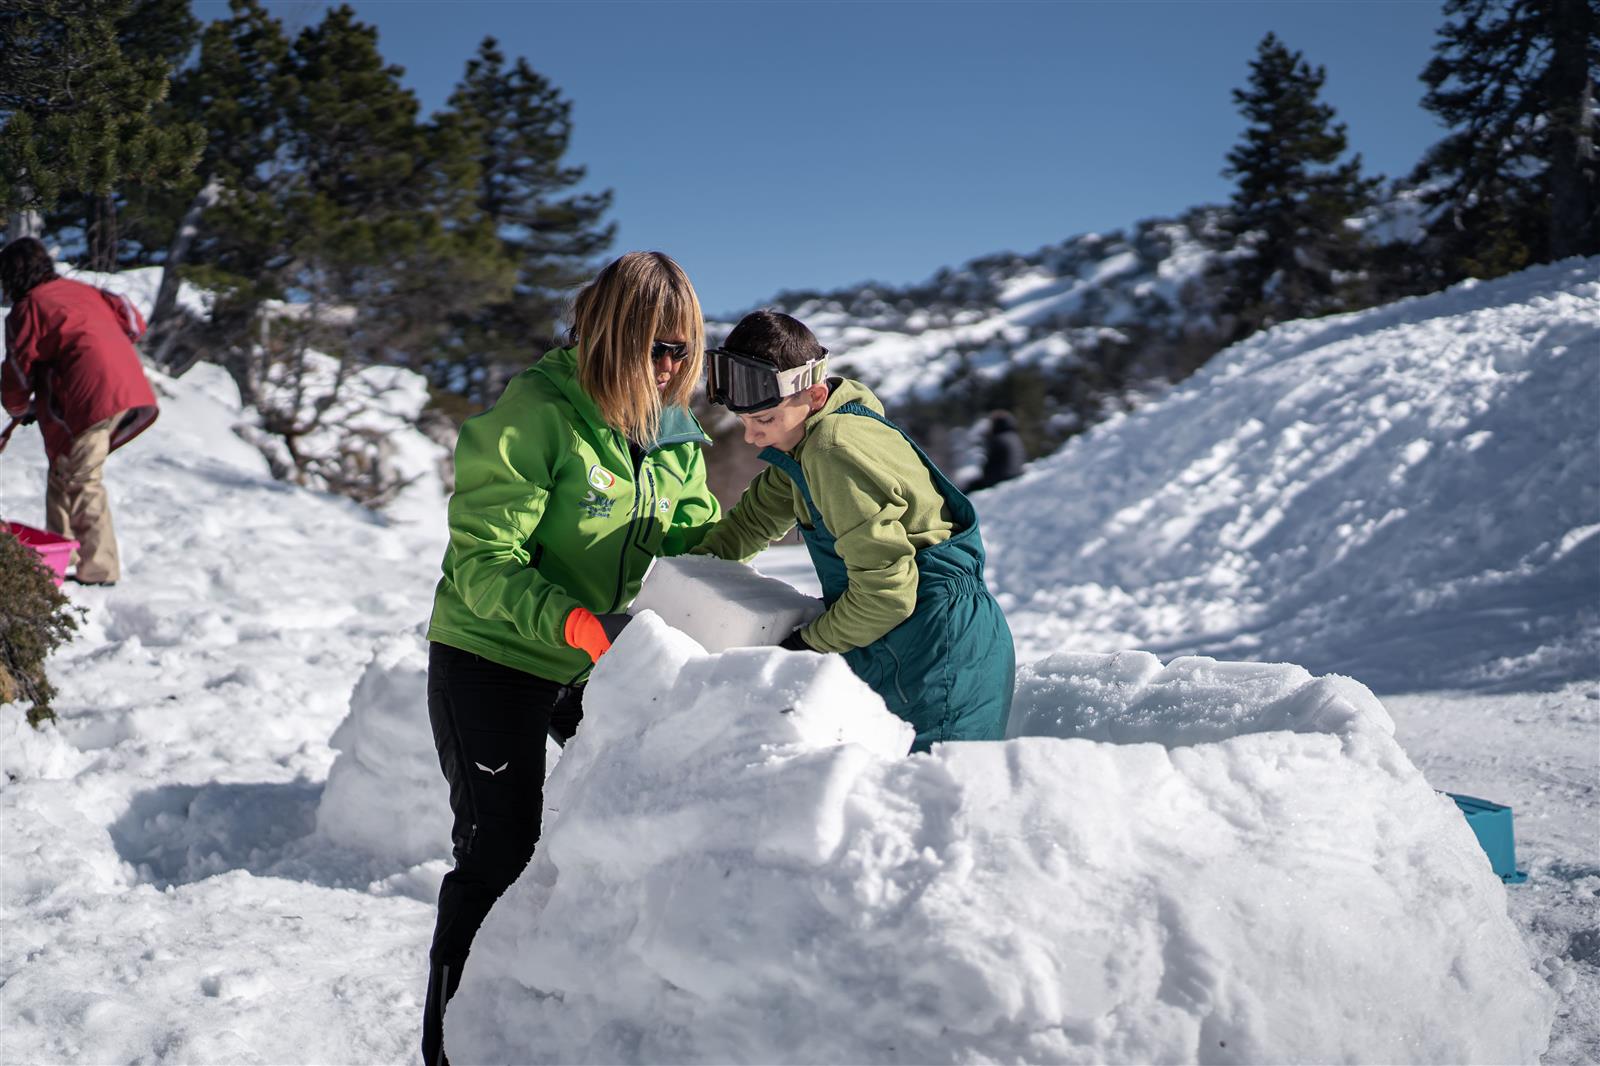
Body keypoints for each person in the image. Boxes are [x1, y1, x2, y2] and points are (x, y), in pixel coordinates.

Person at [419, 251, 720, 1066]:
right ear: (611, 338)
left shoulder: (671, 435)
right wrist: (580, 625)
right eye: (655, 348)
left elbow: (695, 547)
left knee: (639, 818)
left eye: (683, 352)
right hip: (494, 654)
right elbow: (481, 562)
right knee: (498, 852)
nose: (669, 369)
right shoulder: (535, 414)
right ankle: (448, 1051)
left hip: (593, 657)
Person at [695, 310, 1014, 753]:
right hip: (896, 641)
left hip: (936, 651)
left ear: (814, 394)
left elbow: (886, 593)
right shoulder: (804, 443)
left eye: (763, 421)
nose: (751, 438)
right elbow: (747, 526)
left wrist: (804, 644)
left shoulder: (834, 449)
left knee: (931, 807)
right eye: (744, 422)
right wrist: (684, 584)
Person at [1, 237, 158, 586]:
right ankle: (61, 555)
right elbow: (135, 325)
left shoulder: (29, 307)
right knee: (63, 471)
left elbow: (17, 369)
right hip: (125, 386)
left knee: (84, 479)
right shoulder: (80, 290)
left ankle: (100, 573)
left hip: (94, 397)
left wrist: (16, 407)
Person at [969, 409, 1025, 491]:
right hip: (1016, 473)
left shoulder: (997, 439)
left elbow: (991, 465)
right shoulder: (1015, 437)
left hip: (1001, 477)